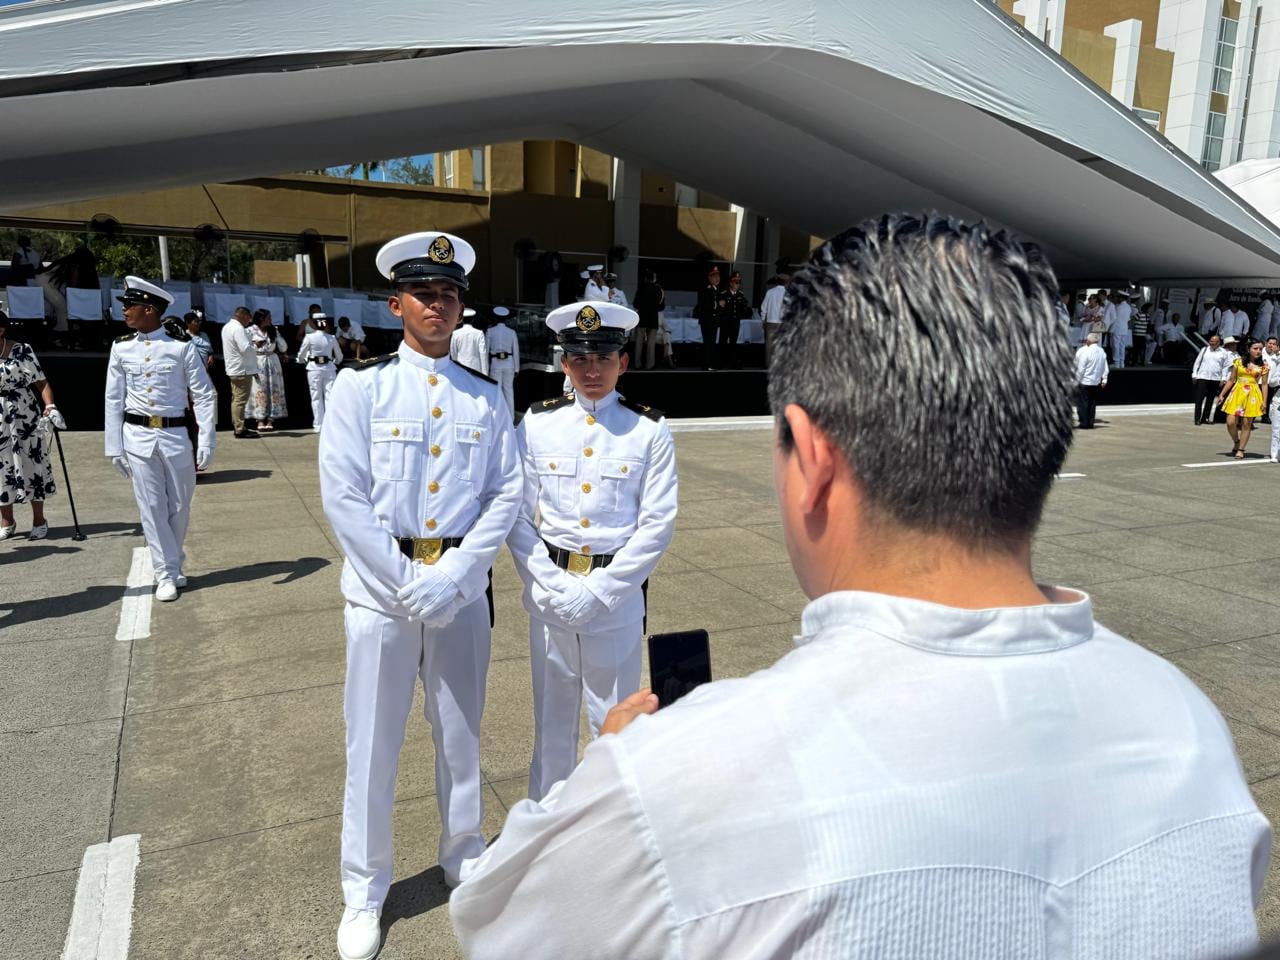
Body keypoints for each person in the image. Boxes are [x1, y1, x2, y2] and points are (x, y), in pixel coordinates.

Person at [449, 214, 1272, 960]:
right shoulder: (1188, 728)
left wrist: (615, 779)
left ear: (810, 461)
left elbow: (500, 926)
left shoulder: (682, 783)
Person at [318, 231, 521, 960]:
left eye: (451, 295)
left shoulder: (486, 396)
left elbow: (505, 493)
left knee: (461, 735)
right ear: (396, 301)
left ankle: (462, 854)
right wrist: (410, 584)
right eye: (425, 294)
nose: (440, 306)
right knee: (371, 747)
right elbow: (342, 497)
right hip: (381, 596)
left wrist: (459, 576)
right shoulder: (359, 386)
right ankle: (363, 892)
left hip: (462, 594)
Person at [507, 300, 678, 802]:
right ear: (564, 363)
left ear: (622, 362)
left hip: (616, 599)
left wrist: (602, 590)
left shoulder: (648, 430)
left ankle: (610, 824)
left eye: (603, 358)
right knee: (553, 721)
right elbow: (516, 513)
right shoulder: (538, 424)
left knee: (615, 721)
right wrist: (550, 582)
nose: (591, 369)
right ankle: (548, 826)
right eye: (579, 359)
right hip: (552, 597)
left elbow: (657, 523)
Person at [104, 278, 215, 601]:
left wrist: (207, 440)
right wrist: (114, 446)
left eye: (130, 305)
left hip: (175, 434)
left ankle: (174, 561)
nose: (124, 310)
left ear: (149, 309)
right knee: (152, 507)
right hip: (137, 437)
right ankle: (164, 572)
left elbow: (205, 395)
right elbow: (114, 399)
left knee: (179, 505)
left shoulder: (181, 349)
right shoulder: (121, 347)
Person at [0, 311, 63, 540]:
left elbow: (41, 382)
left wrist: (50, 406)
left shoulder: (22, 350)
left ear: (1, 330)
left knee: (32, 461)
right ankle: (7, 520)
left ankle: (39, 518)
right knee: (1, 466)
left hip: (23, 412)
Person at [1218, 339, 1271, 459]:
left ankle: (1241, 449)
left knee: (1247, 424)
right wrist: (1222, 394)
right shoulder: (1238, 362)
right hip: (1237, 393)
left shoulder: (1264, 366)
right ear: (1249, 349)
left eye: (1260, 349)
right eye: (1255, 348)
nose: (1258, 351)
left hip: (1253, 395)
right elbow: (1231, 379)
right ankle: (1236, 441)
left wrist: (1264, 401)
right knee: (1230, 422)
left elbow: (1264, 384)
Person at [296, 313, 341, 432]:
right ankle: (331, 423)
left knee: (316, 397)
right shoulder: (331, 338)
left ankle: (318, 425)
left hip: (314, 368)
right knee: (330, 396)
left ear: (314, 324)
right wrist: (333, 362)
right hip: (329, 368)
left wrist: (303, 360)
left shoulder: (309, 337)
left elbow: (301, 354)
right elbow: (339, 356)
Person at [245, 309, 288, 432]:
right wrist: (255, 344)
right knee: (259, 389)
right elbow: (243, 346)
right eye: (268, 318)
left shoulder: (273, 330)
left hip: (272, 361)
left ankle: (271, 419)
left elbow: (283, 346)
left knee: (274, 388)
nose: (270, 320)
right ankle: (259, 419)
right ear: (261, 319)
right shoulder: (250, 330)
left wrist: (277, 336)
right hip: (258, 360)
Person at [220, 305, 259, 438]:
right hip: (242, 369)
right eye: (248, 318)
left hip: (234, 368)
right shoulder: (238, 328)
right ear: (242, 316)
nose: (250, 321)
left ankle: (238, 426)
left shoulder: (227, 327)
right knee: (240, 400)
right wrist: (255, 346)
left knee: (236, 399)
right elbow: (245, 348)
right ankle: (239, 429)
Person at [485, 305, 519, 420]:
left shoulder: (490, 331)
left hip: (495, 363)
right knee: (509, 391)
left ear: (495, 317)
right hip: (509, 363)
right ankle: (511, 418)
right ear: (506, 318)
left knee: (496, 391)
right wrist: (517, 368)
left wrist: (486, 368)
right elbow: (516, 351)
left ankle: (497, 417)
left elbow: (486, 351)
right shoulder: (511, 332)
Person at [1191, 334, 1230, 424]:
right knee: (1199, 399)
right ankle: (1197, 419)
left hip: (1215, 378)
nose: (1212, 343)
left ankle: (1205, 418)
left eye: (1214, 342)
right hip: (1203, 377)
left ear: (1219, 343)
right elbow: (1197, 362)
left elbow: (1225, 366)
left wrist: (1223, 378)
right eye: (1211, 341)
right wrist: (1194, 374)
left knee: (1210, 399)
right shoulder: (1204, 350)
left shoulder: (1224, 352)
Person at [631, 269, 664, 370]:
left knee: (639, 342)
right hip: (653, 319)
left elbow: (635, 304)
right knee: (651, 344)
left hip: (642, 318)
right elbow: (662, 307)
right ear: (653, 279)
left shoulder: (641, 288)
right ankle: (649, 365)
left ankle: (637, 364)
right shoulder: (659, 289)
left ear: (645, 279)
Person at [718, 270, 752, 369]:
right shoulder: (724, 294)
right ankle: (721, 362)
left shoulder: (740, 295)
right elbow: (720, 308)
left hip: (735, 322)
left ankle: (732, 362)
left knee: (733, 343)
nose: (737, 284)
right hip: (725, 322)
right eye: (735, 282)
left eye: (738, 282)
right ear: (731, 282)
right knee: (723, 342)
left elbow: (744, 309)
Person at [1074, 332, 1107, 428]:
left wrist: (1075, 381)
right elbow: (1104, 367)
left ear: (1088, 341)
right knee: (1092, 403)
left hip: (1085, 381)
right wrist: (1104, 379)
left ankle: (1084, 423)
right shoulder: (1102, 351)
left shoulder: (1085, 352)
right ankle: (1090, 422)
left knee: (1083, 403)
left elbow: (1081, 369)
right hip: (1095, 381)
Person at [692, 264, 722, 370]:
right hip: (707, 320)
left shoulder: (715, 289)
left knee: (711, 342)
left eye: (718, 276)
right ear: (709, 278)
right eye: (714, 276)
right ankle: (706, 364)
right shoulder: (706, 289)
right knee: (708, 342)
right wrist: (718, 304)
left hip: (713, 320)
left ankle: (708, 363)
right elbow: (704, 305)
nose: (717, 278)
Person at [450, 306, 489, 376]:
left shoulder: (456, 333)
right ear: (473, 320)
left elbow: (453, 353)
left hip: (460, 367)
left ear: (462, 319)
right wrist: (485, 373)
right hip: (476, 368)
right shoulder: (479, 333)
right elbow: (483, 353)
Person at [760, 273, 787, 366]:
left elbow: (763, 307)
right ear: (785, 283)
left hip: (771, 322)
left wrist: (763, 319)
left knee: (769, 345)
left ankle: (768, 364)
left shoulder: (770, 292)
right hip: (782, 323)